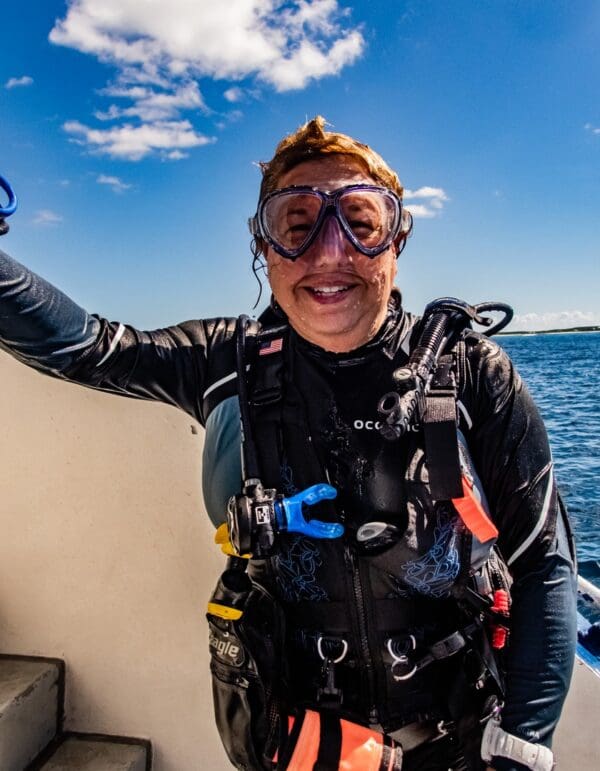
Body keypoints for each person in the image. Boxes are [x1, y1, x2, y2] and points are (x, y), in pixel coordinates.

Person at [0, 117, 576, 771]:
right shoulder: (232, 361)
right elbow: (87, 347)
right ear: (263, 245)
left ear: (399, 238)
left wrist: (520, 749)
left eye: (360, 222)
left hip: (460, 742)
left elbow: (543, 565)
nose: (329, 254)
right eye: (297, 226)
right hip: (301, 746)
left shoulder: (471, 371)